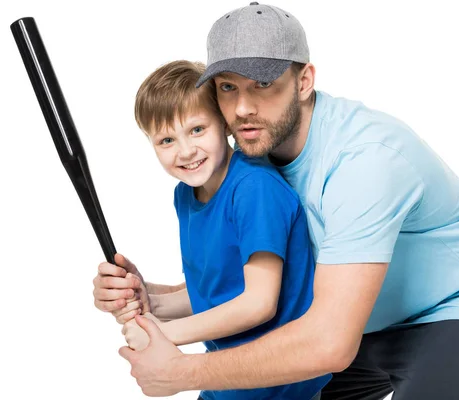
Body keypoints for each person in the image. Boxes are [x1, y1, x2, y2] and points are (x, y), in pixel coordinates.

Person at [94, 3, 459, 399]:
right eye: (228, 87)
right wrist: (152, 298)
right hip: (356, 318)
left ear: (304, 81)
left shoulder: (364, 161)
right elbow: (259, 280)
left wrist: (183, 371)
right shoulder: (251, 160)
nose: (243, 107)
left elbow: (328, 344)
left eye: (263, 83)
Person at [97, 59, 330, 400]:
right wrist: (147, 300)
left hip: (277, 384)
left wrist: (165, 333)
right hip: (228, 381)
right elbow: (216, 291)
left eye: (197, 130)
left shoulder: (254, 188)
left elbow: (258, 303)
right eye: (165, 140)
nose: (186, 150)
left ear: (224, 124)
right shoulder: (186, 195)